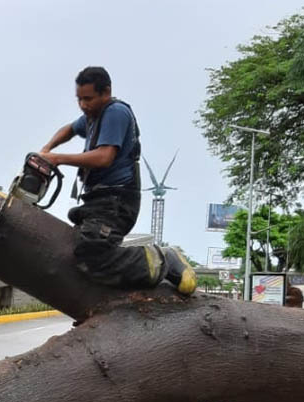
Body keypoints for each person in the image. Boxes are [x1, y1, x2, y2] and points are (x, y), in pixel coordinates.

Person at [37, 66, 195, 295]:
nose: (83, 105)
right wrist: (46, 148)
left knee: (93, 255)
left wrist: (57, 158)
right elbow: (70, 129)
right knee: (81, 245)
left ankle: (164, 260)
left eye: (88, 99)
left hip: (116, 201)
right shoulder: (92, 116)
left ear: (106, 92)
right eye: (79, 99)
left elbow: (104, 157)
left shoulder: (115, 113)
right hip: (98, 200)